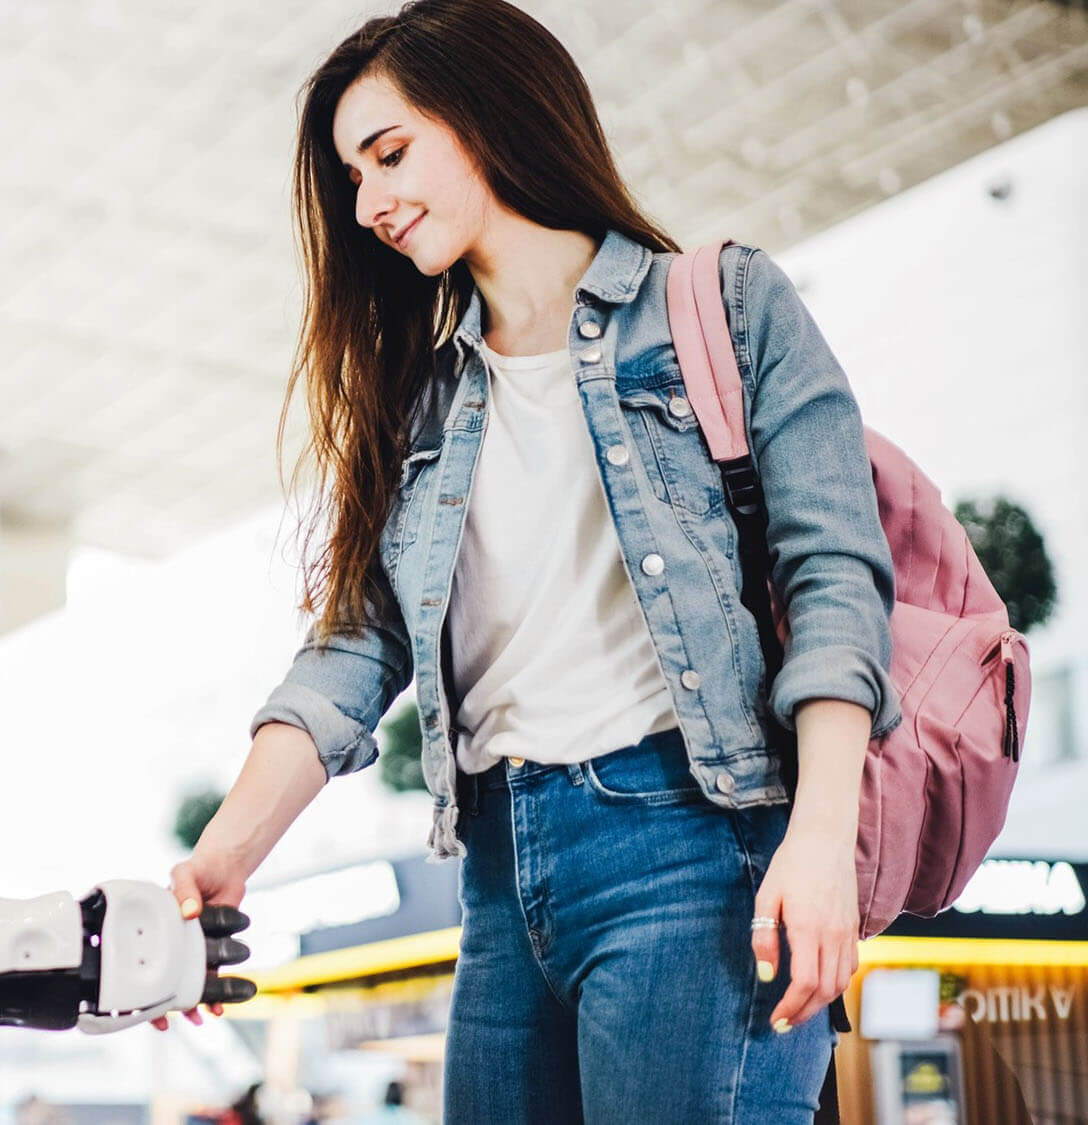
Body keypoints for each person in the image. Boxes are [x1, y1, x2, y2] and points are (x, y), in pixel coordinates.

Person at [158, 2, 900, 1121]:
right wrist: (228, 849)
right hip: (501, 879)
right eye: (350, 178)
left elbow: (833, 578)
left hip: (694, 854)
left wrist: (819, 839)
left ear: (492, 115)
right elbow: (357, 645)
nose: (366, 205)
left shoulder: (720, 304)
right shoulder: (423, 398)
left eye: (388, 155)